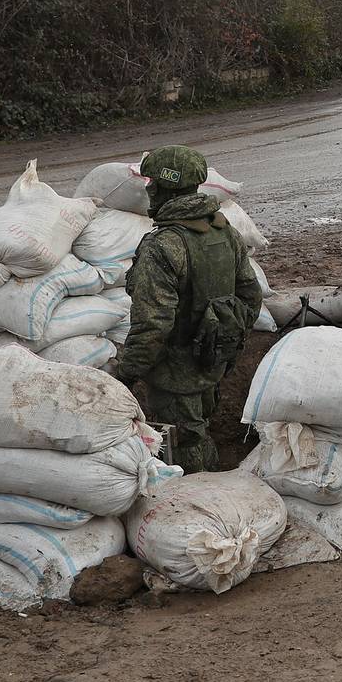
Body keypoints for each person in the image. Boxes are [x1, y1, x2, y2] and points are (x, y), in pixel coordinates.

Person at [110, 145, 264, 473]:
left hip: (174, 375)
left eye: (154, 182)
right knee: (200, 429)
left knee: (184, 446)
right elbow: (251, 297)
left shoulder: (162, 246)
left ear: (167, 187)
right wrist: (223, 343)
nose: (148, 188)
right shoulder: (225, 233)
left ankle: (197, 507)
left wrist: (125, 372)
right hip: (211, 363)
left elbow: (153, 324)